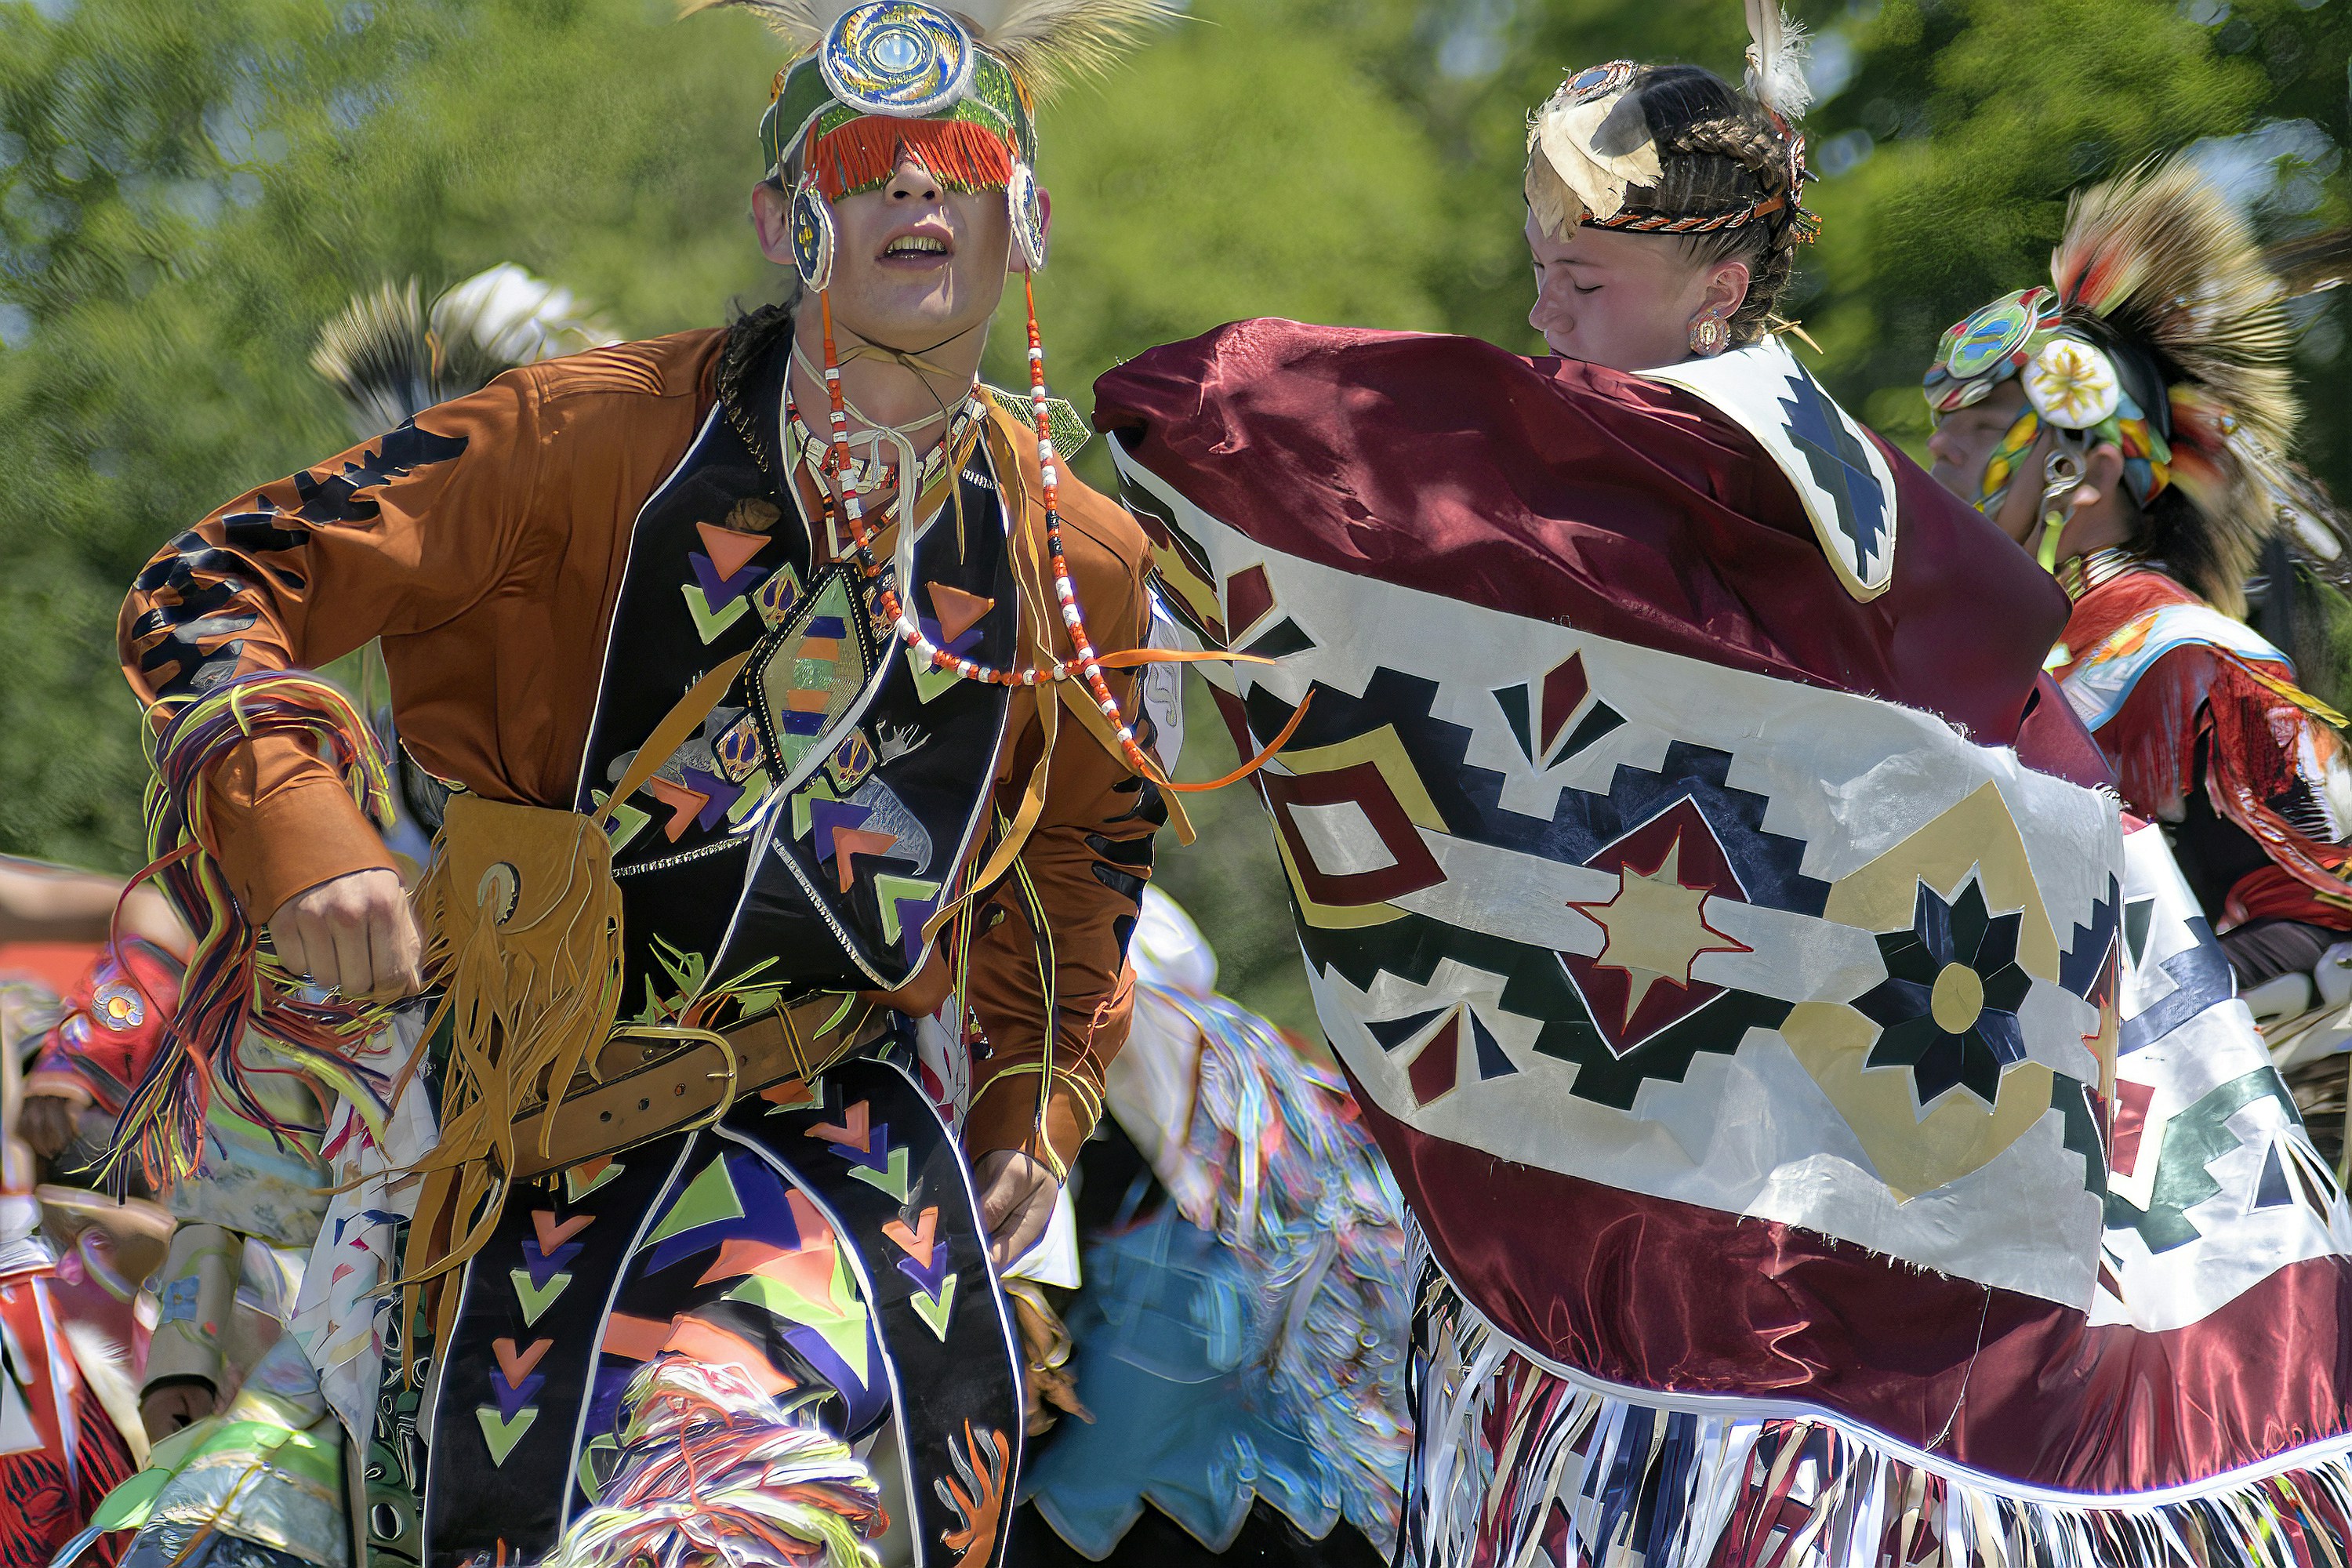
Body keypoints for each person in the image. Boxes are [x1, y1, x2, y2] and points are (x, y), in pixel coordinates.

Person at [1091, 9, 2352, 1563]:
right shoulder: (1702, 485)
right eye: (1541, 253)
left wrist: (2183, 981)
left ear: (1722, 282)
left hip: (1862, 1170)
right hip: (1715, 1143)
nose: (1548, 290)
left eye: (1588, 264)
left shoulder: (2143, 647)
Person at [107, 2, 1174, 1562]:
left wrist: (1033, 1101)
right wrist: (306, 832)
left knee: (730, 1527)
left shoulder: (1073, 553)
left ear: (1033, 220)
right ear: (779, 218)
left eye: (963, 169)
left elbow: (1085, 852)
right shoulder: (577, 439)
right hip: (504, 1148)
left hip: (843, 1147)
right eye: (866, 170)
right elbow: (210, 584)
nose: (920, 201)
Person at [1923, 157, 2352, 989]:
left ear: (2084, 473)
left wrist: (2112, 1027)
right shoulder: (2002, 656)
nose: (1941, 447)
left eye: (1982, 425)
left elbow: (2325, 915)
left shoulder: (2185, 656)